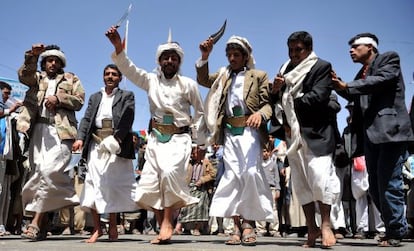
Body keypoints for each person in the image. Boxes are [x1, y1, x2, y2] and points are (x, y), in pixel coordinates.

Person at [105, 26, 206, 244]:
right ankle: (163, 224)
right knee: (153, 182)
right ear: (159, 61)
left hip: (180, 138)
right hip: (155, 138)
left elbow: (199, 113)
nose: (169, 61)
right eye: (165, 58)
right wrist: (117, 46)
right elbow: (130, 70)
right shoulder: (150, 80)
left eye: (174, 58)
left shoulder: (188, 84)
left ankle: (168, 222)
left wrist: (200, 142)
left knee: (170, 174)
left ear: (179, 62)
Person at [332, 32, 414, 247]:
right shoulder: (362, 74)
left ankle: (395, 231)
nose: (351, 50)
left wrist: (347, 85)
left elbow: (381, 80)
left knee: (389, 183)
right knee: (376, 187)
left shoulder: (389, 58)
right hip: (371, 136)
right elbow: (355, 95)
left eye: (355, 46)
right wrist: (338, 85)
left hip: (390, 132)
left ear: (370, 47)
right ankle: (395, 226)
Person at [197, 35, 274, 246]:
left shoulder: (258, 75)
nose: (232, 58)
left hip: (250, 132)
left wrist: (260, 114)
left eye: (236, 55)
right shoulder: (223, 76)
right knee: (231, 176)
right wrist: (205, 56)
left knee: (249, 173)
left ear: (245, 56)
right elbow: (203, 80)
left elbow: (268, 105)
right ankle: (237, 226)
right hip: (229, 133)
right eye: (229, 55)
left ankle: (249, 223)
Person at [270, 31, 339, 248]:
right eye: (290, 50)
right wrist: (275, 91)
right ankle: (312, 228)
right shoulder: (284, 71)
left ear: (308, 49)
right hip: (292, 136)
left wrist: (288, 95)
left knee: (320, 178)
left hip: (316, 133)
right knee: (300, 185)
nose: (293, 54)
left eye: (297, 50)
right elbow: (276, 101)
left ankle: (326, 225)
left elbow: (318, 97)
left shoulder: (321, 67)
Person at [18, 44, 85, 241]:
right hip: (38, 130)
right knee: (39, 174)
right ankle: (44, 221)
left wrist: (59, 98)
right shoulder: (36, 77)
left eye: (56, 60)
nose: (53, 63)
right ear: (44, 62)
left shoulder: (71, 79)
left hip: (62, 132)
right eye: (49, 60)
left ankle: (35, 222)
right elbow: (24, 75)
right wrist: (32, 55)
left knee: (49, 172)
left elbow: (80, 101)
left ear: (61, 63)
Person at [72, 64, 138, 243]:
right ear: (103, 77)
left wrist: (117, 139)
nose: (110, 77)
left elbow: (127, 118)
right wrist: (79, 138)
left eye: (114, 74)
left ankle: (113, 226)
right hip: (95, 145)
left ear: (120, 78)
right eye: (107, 74)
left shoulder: (127, 96)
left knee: (113, 185)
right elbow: (86, 119)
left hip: (116, 145)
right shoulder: (95, 97)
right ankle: (97, 228)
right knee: (93, 184)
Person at [0, 81, 23, 236]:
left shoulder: (8, 113)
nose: (8, 96)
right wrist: (11, 109)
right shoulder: (6, 110)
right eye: (5, 93)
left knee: (3, 191)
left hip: (5, 156)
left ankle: (1, 224)